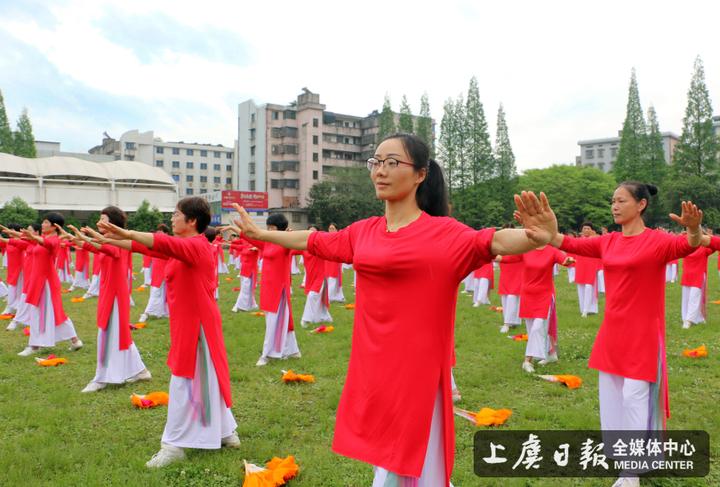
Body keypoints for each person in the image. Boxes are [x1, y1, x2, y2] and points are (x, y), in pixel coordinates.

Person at [231, 133, 557, 487]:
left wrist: (535, 237)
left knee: (415, 464)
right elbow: (311, 240)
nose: (380, 171)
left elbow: (492, 240)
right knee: (385, 456)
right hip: (373, 368)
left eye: (392, 163)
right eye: (376, 162)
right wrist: (260, 234)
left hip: (417, 372)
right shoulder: (364, 232)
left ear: (420, 174)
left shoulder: (444, 233)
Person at [539, 182, 703, 487]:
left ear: (640, 205)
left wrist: (694, 229)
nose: (614, 206)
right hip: (612, 334)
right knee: (613, 399)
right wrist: (550, 232)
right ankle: (624, 465)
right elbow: (569, 244)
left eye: (621, 200)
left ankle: (632, 473)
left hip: (642, 335)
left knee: (634, 397)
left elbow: (689, 245)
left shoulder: (657, 241)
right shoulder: (608, 242)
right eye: (613, 201)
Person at [96, 197, 239, 467]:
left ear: (192, 221)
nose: (172, 218)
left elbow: (158, 242)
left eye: (176, 214)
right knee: (204, 378)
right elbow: (147, 247)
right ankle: (224, 431)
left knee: (185, 381)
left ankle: (174, 445)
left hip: (197, 324)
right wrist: (109, 239)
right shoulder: (185, 247)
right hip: (191, 321)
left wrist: (125, 232)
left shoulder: (195, 246)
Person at [60, 207, 151, 392]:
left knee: (109, 333)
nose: (98, 223)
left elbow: (109, 249)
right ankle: (141, 371)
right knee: (117, 333)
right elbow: (96, 247)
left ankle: (102, 377)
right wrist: (76, 237)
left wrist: (90, 235)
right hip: (109, 291)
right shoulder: (110, 240)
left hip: (116, 294)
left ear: (113, 222)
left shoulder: (121, 241)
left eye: (103, 219)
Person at [13, 213, 83, 356]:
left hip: (46, 283)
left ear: (54, 226)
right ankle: (75, 340)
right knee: (54, 313)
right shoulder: (43, 238)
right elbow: (32, 242)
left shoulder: (55, 240)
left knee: (41, 312)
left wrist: (33, 237)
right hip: (39, 281)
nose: (42, 225)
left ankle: (34, 346)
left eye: (45, 222)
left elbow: (48, 244)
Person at [238, 213, 301, 366]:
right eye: (268, 227)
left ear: (279, 228)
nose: (268, 230)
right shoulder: (267, 243)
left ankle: (267, 354)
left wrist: (290, 235)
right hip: (267, 286)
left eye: (272, 227)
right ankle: (292, 350)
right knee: (276, 319)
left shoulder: (285, 244)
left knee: (275, 320)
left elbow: (298, 245)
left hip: (279, 287)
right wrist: (241, 229)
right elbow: (251, 237)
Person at [678, 230, 715, 328]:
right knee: (689, 298)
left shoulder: (700, 248)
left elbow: (715, 244)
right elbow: (714, 243)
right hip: (690, 276)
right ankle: (688, 319)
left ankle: (691, 319)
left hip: (696, 276)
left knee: (692, 298)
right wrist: (705, 233)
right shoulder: (689, 246)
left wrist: (703, 234)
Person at [138, 223, 171, 323]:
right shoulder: (157, 240)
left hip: (163, 271)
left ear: (166, 233)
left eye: (161, 231)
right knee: (159, 292)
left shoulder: (167, 241)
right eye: (158, 231)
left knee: (158, 292)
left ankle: (147, 312)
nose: (159, 233)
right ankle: (160, 312)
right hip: (157, 271)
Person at [325, 223, 346, 303]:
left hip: (335, 261)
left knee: (334, 279)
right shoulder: (326, 237)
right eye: (330, 228)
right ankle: (329, 297)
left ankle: (336, 296)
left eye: (333, 228)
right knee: (328, 279)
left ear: (337, 229)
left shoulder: (339, 238)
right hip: (327, 261)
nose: (331, 230)